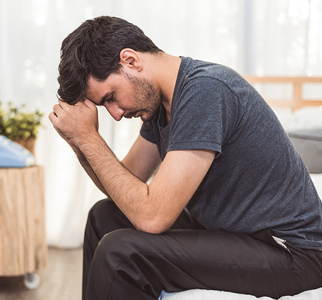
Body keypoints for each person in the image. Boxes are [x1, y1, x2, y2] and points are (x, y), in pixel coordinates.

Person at [49, 16, 322, 300]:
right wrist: (78, 139)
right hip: (233, 236)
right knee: (103, 216)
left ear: (130, 61)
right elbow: (123, 183)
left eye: (111, 97)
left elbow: (153, 218)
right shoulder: (162, 106)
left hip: (292, 253)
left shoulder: (205, 90)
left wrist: (89, 138)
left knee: (120, 253)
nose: (115, 114)